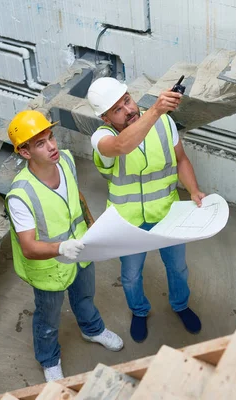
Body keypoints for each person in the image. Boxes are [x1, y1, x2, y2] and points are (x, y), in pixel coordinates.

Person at [4, 110, 123, 382]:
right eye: (41, 144)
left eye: (51, 137)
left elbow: (76, 194)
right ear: (25, 152)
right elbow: (28, 247)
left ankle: (92, 329)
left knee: (84, 296)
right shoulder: (21, 195)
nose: (52, 146)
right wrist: (61, 249)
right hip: (49, 268)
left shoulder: (67, 160)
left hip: (81, 250)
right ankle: (49, 360)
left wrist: (91, 224)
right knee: (48, 318)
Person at [87, 77, 205, 342]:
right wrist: (155, 110)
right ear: (106, 119)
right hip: (127, 222)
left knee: (178, 269)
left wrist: (194, 190)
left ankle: (181, 306)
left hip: (167, 212)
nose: (128, 110)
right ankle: (139, 311)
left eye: (127, 100)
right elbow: (121, 146)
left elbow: (181, 159)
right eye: (117, 109)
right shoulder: (102, 138)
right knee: (130, 277)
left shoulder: (164, 123)